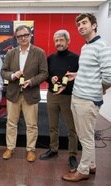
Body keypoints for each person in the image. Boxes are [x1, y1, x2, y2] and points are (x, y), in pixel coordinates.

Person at [62, 13, 111, 182]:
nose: (81, 27)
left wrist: (97, 90)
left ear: (94, 25)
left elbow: (109, 76)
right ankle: (90, 165)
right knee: (85, 135)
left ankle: (82, 171)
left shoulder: (102, 46)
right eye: (79, 25)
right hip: (78, 96)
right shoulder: (86, 47)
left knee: (85, 137)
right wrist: (77, 75)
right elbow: (90, 71)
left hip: (87, 100)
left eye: (84, 23)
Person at [1, 25, 48, 162]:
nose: (23, 38)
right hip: (13, 94)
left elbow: (44, 73)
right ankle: (10, 147)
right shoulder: (11, 53)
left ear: (30, 35)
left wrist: (32, 81)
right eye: (20, 36)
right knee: (11, 123)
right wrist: (13, 75)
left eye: (25, 35)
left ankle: (30, 149)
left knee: (31, 124)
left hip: (30, 93)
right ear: (16, 38)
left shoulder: (39, 52)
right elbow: (3, 71)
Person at [39, 30, 79, 171]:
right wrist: (51, 79)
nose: (59, 43)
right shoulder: (50, 58)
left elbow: (79, 78)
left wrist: (67, 84)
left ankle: (72, 155)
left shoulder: (76, 58)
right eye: (56, 41)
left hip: (68, 97)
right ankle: (53, 149)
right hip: (52, 95)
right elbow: (45, 75)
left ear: (68, 41)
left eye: (61, 40)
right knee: (52, 126)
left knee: (71, 128)